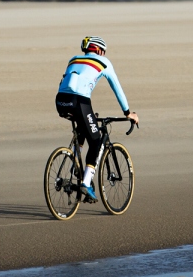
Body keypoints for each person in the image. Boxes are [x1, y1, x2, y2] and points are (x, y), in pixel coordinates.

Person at [55, 36, 139, 202]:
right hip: (80, 101)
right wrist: (128, 112)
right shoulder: (104, 61)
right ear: (99, 50)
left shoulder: (74, 59)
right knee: (96, 141)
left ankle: (75, 167)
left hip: (60, 100)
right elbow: (117, 88)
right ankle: (86, 182)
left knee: (84, 126)